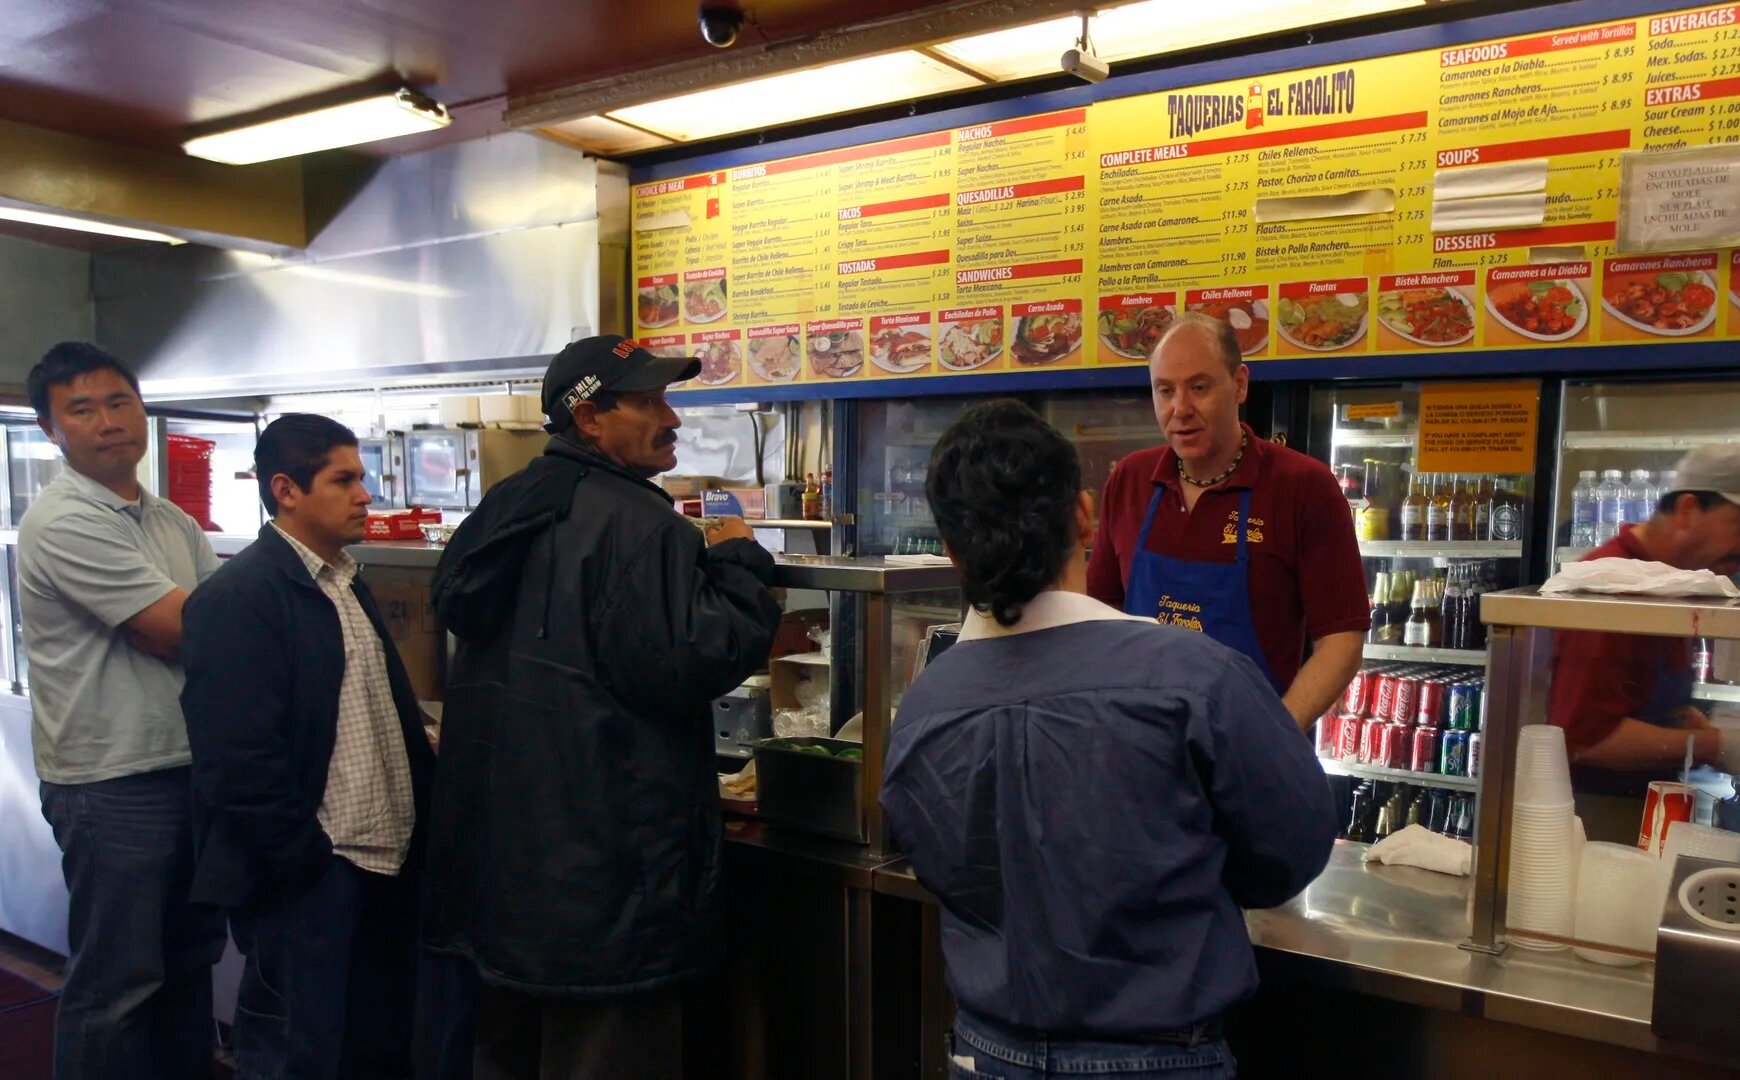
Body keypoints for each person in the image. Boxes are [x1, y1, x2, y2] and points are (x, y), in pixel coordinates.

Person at [883, 399, 1337, 1080]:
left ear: (950, 550)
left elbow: (942, 867)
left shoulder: (923, 705)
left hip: (985, 1052)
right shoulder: (1196, 675)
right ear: (1086, 515)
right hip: (1159, 1057)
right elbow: (1292, 848)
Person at [424, 335, 782, 1079]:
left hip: (509, 878)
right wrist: (741, 558)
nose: (671, 417)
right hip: (610, 878)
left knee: (508, 1053)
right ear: (589, 419)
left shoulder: (506, 505)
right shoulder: (639, 525)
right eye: (648, 401)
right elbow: (697, 656)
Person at [180, 414, 435, 1078]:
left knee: (373, 1050)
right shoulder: (239, 600)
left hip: (384, 867)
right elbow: (238, 762)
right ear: (286, 489)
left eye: (362, 477)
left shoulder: (345, 581)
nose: (365, 494)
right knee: (298, 1055)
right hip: (315, 879)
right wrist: (304, 864)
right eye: (343, 479)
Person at [17, 341, 225, 1079]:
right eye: (82, 409)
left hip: (187, 770)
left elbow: (217, 625)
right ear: (50, 429)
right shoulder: (65, 521)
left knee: (187, 965)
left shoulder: (171, 521)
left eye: (119, 402)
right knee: (118, 985)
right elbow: (183, 631)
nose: (108, 421)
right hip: (112, 785)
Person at [1089, 312, 1367, 727]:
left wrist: (1274, 738)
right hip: (1141, 748)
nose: (1180, 408)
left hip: (1252, 754)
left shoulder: (1304, 487)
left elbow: (1340, 640)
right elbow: (1100, 610)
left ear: (1239, 384)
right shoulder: (1130, 479)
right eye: (1165, 391)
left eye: (1199, 387)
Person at [1549, 443, 1740, 783]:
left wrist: (1716, 725)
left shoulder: (1670, 581)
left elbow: (1640, 697)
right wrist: (1714, 745)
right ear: (1688, 509)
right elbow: (1584, 740)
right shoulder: (1611, 586)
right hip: (1588, 811)